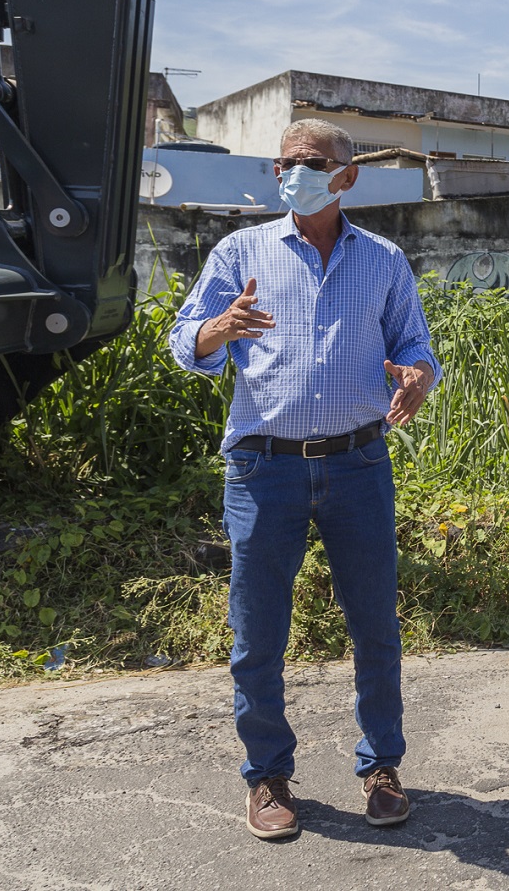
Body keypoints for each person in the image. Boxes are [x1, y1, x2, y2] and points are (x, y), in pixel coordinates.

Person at [168, 119, 440, 839]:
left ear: (347, 175)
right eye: (285, 161)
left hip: (358, 464)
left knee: (375, 626)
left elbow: (414, 342)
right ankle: (267, 776)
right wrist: (219, 328)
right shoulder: (241, 250)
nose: (295, 171)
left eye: (312, 161)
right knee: (257, 633)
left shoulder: (382, 259)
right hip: (265, 469)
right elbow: (182, 339)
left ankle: (380, 764)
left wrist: (417, 376)